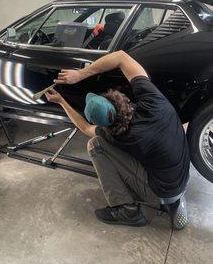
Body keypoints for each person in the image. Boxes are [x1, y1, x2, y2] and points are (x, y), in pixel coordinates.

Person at [45, 51, 190, 229]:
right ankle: (172, 199)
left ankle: (127, 209)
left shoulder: (117, 136)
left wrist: (61, 102)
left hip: (160, 189)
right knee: (154, 150)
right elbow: (121, 57)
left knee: (95, 145)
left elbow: (84, 127)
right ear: (116, 98)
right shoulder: (154, 101)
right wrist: (80, 74)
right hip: (182, 175)